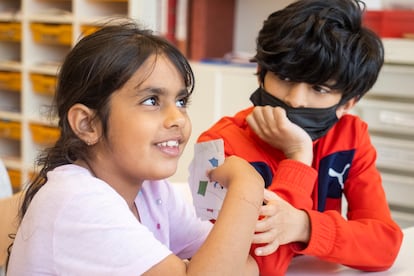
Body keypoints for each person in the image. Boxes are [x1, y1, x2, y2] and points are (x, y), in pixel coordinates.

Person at [6, 20, 265, 275]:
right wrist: (247, 184)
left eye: (181, 100)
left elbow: (242, 264)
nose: (178, 118)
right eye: (152, 100)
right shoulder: (77, 201)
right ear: (87, 124)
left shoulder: (151, 191)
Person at [194, 0, 403, 275]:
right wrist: (298, 156)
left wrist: (304, 226)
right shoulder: (218, 146)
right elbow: (260, 264)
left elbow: (384, 246)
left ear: (346, 104)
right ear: (261, 73)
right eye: (284, 77)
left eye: (319, 88)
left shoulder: (351, 136)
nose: (294, 100)